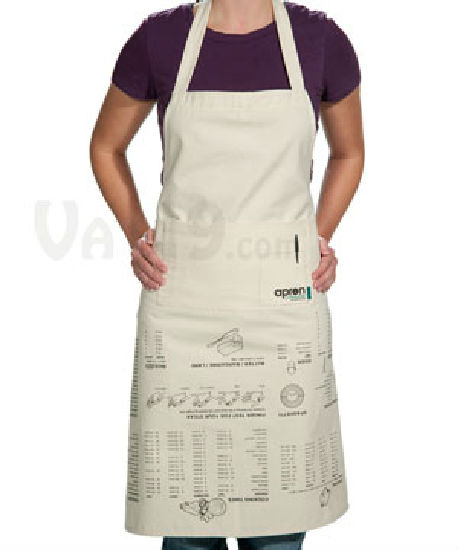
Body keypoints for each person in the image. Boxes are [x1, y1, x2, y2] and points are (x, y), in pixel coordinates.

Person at [89, 1, 364, 549]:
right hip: (182, 304)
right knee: (187, 530)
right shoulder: (160, 39)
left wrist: (315, 237)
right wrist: (137, 233)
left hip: (283, 307)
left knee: (280, 527)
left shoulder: (320, 41)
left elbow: (349, 152)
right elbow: (105, 146)